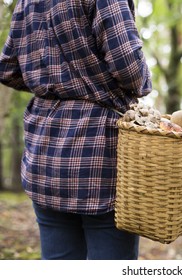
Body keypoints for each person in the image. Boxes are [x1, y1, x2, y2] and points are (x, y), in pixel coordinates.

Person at [0, 0, 152, 260]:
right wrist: (140, 84)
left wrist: (54, 88)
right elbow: (129, 67)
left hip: (43, 154)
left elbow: (9, 68)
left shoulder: (26, 2)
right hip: (98, 156)